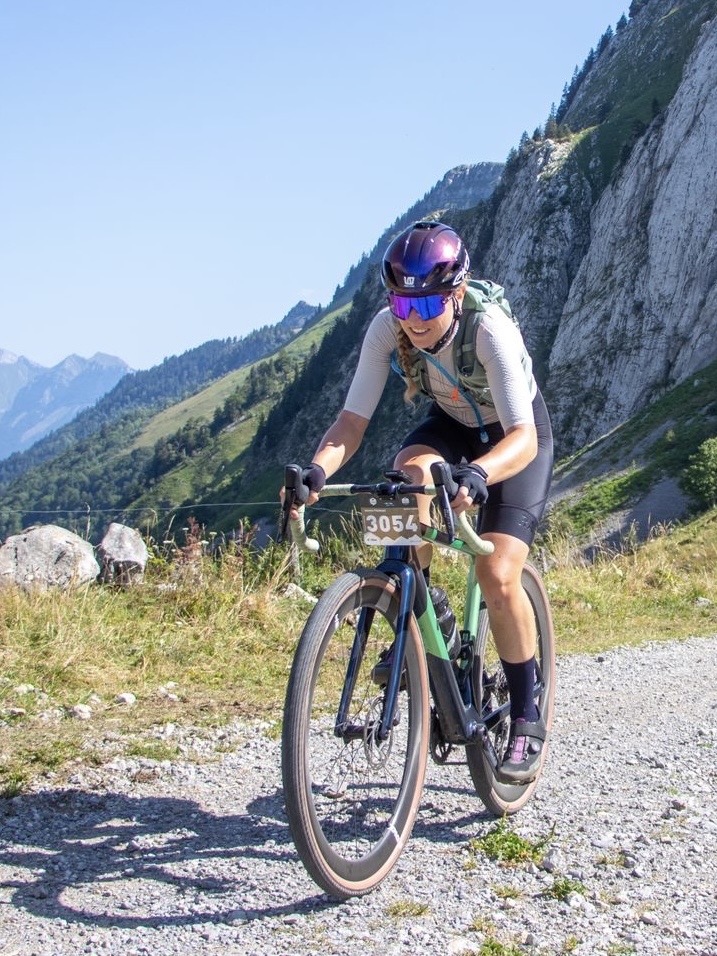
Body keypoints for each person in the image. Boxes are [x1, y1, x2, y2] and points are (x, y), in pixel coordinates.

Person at [286, 220, 553, 784]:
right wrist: (316, 471)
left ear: (456, 292)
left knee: (496, 572)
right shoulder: (389, 329)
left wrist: (480, 474)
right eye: (403, 303)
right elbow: (351, 421)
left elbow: (523, 438)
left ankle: (528, 713)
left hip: (512, 439)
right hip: (454, 426)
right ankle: (426, 609)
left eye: (429, 302)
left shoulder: (490, 332)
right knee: (406, 482)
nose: (415, 319)